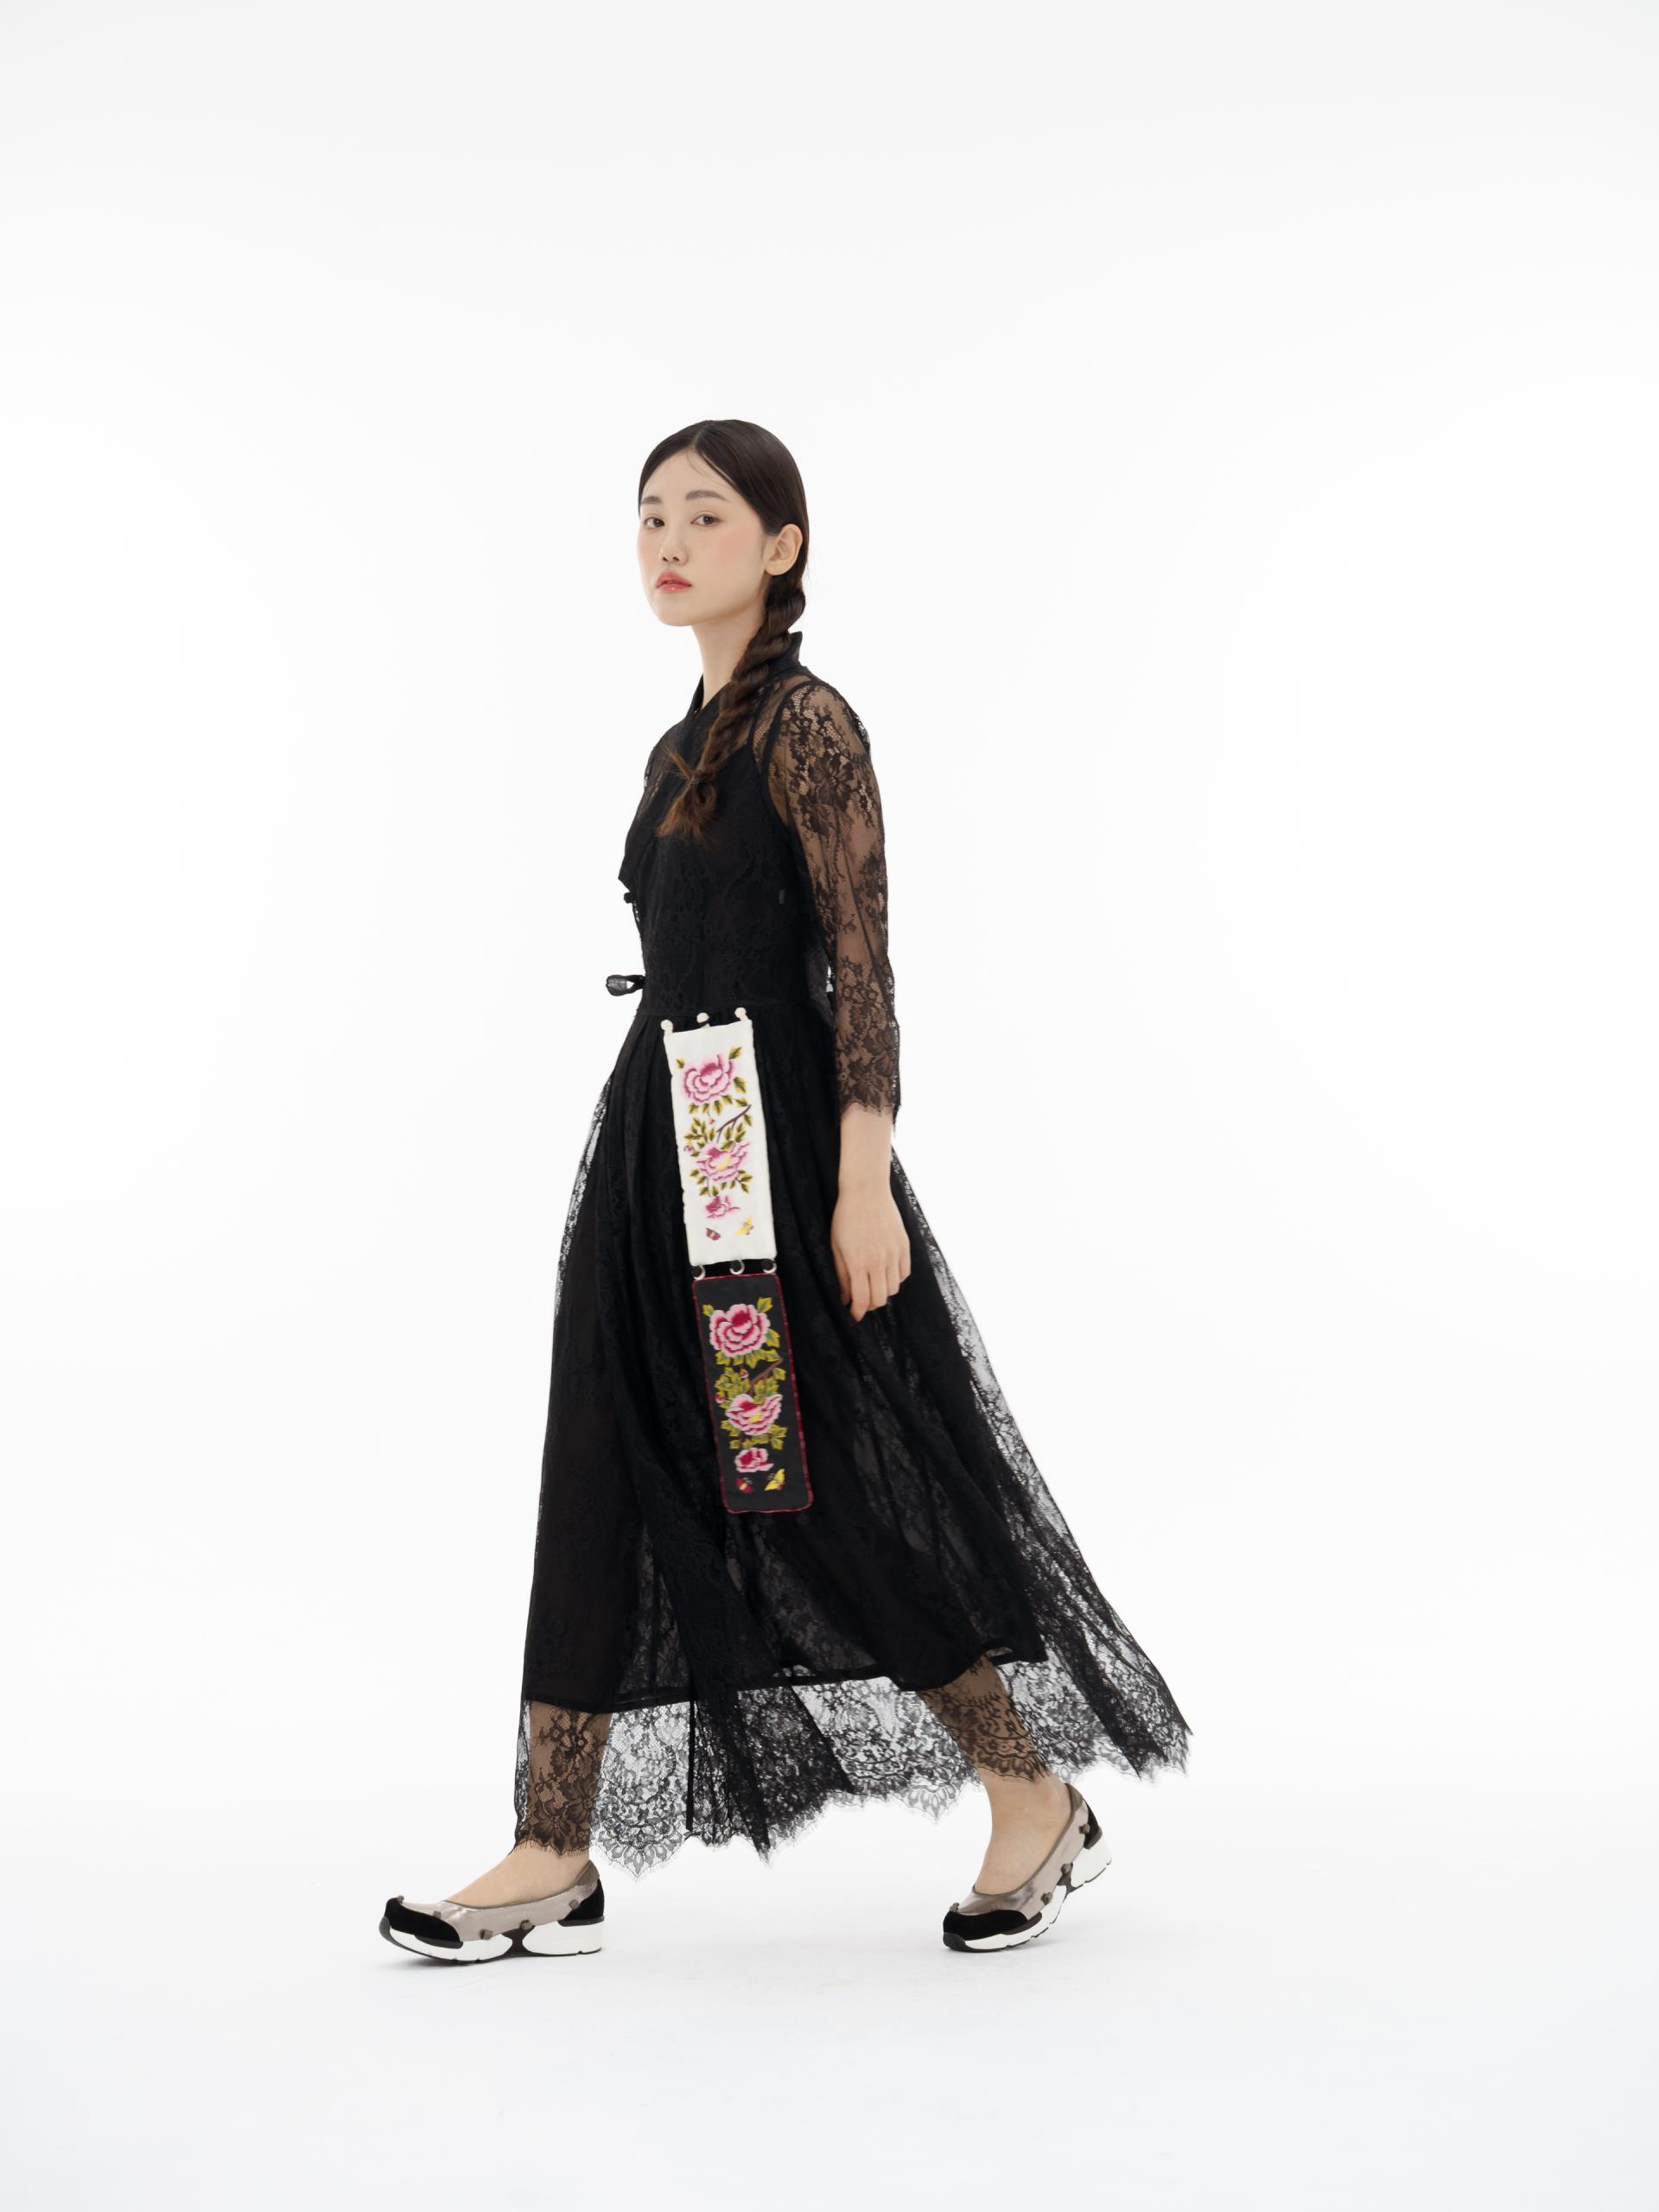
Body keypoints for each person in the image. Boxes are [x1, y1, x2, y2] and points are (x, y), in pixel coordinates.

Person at [381, 419, 1192, 1963]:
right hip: (663, 1137)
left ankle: (1031, 1797)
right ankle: (551, 1849)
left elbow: (863, 964)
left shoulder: (809, 726)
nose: (669, 543)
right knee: (598, 1459)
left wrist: (863, 1181)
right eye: (650, 518)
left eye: (705, 516)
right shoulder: (676, 746)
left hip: (763, 1159)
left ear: (781, 546)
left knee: (804, 1476)